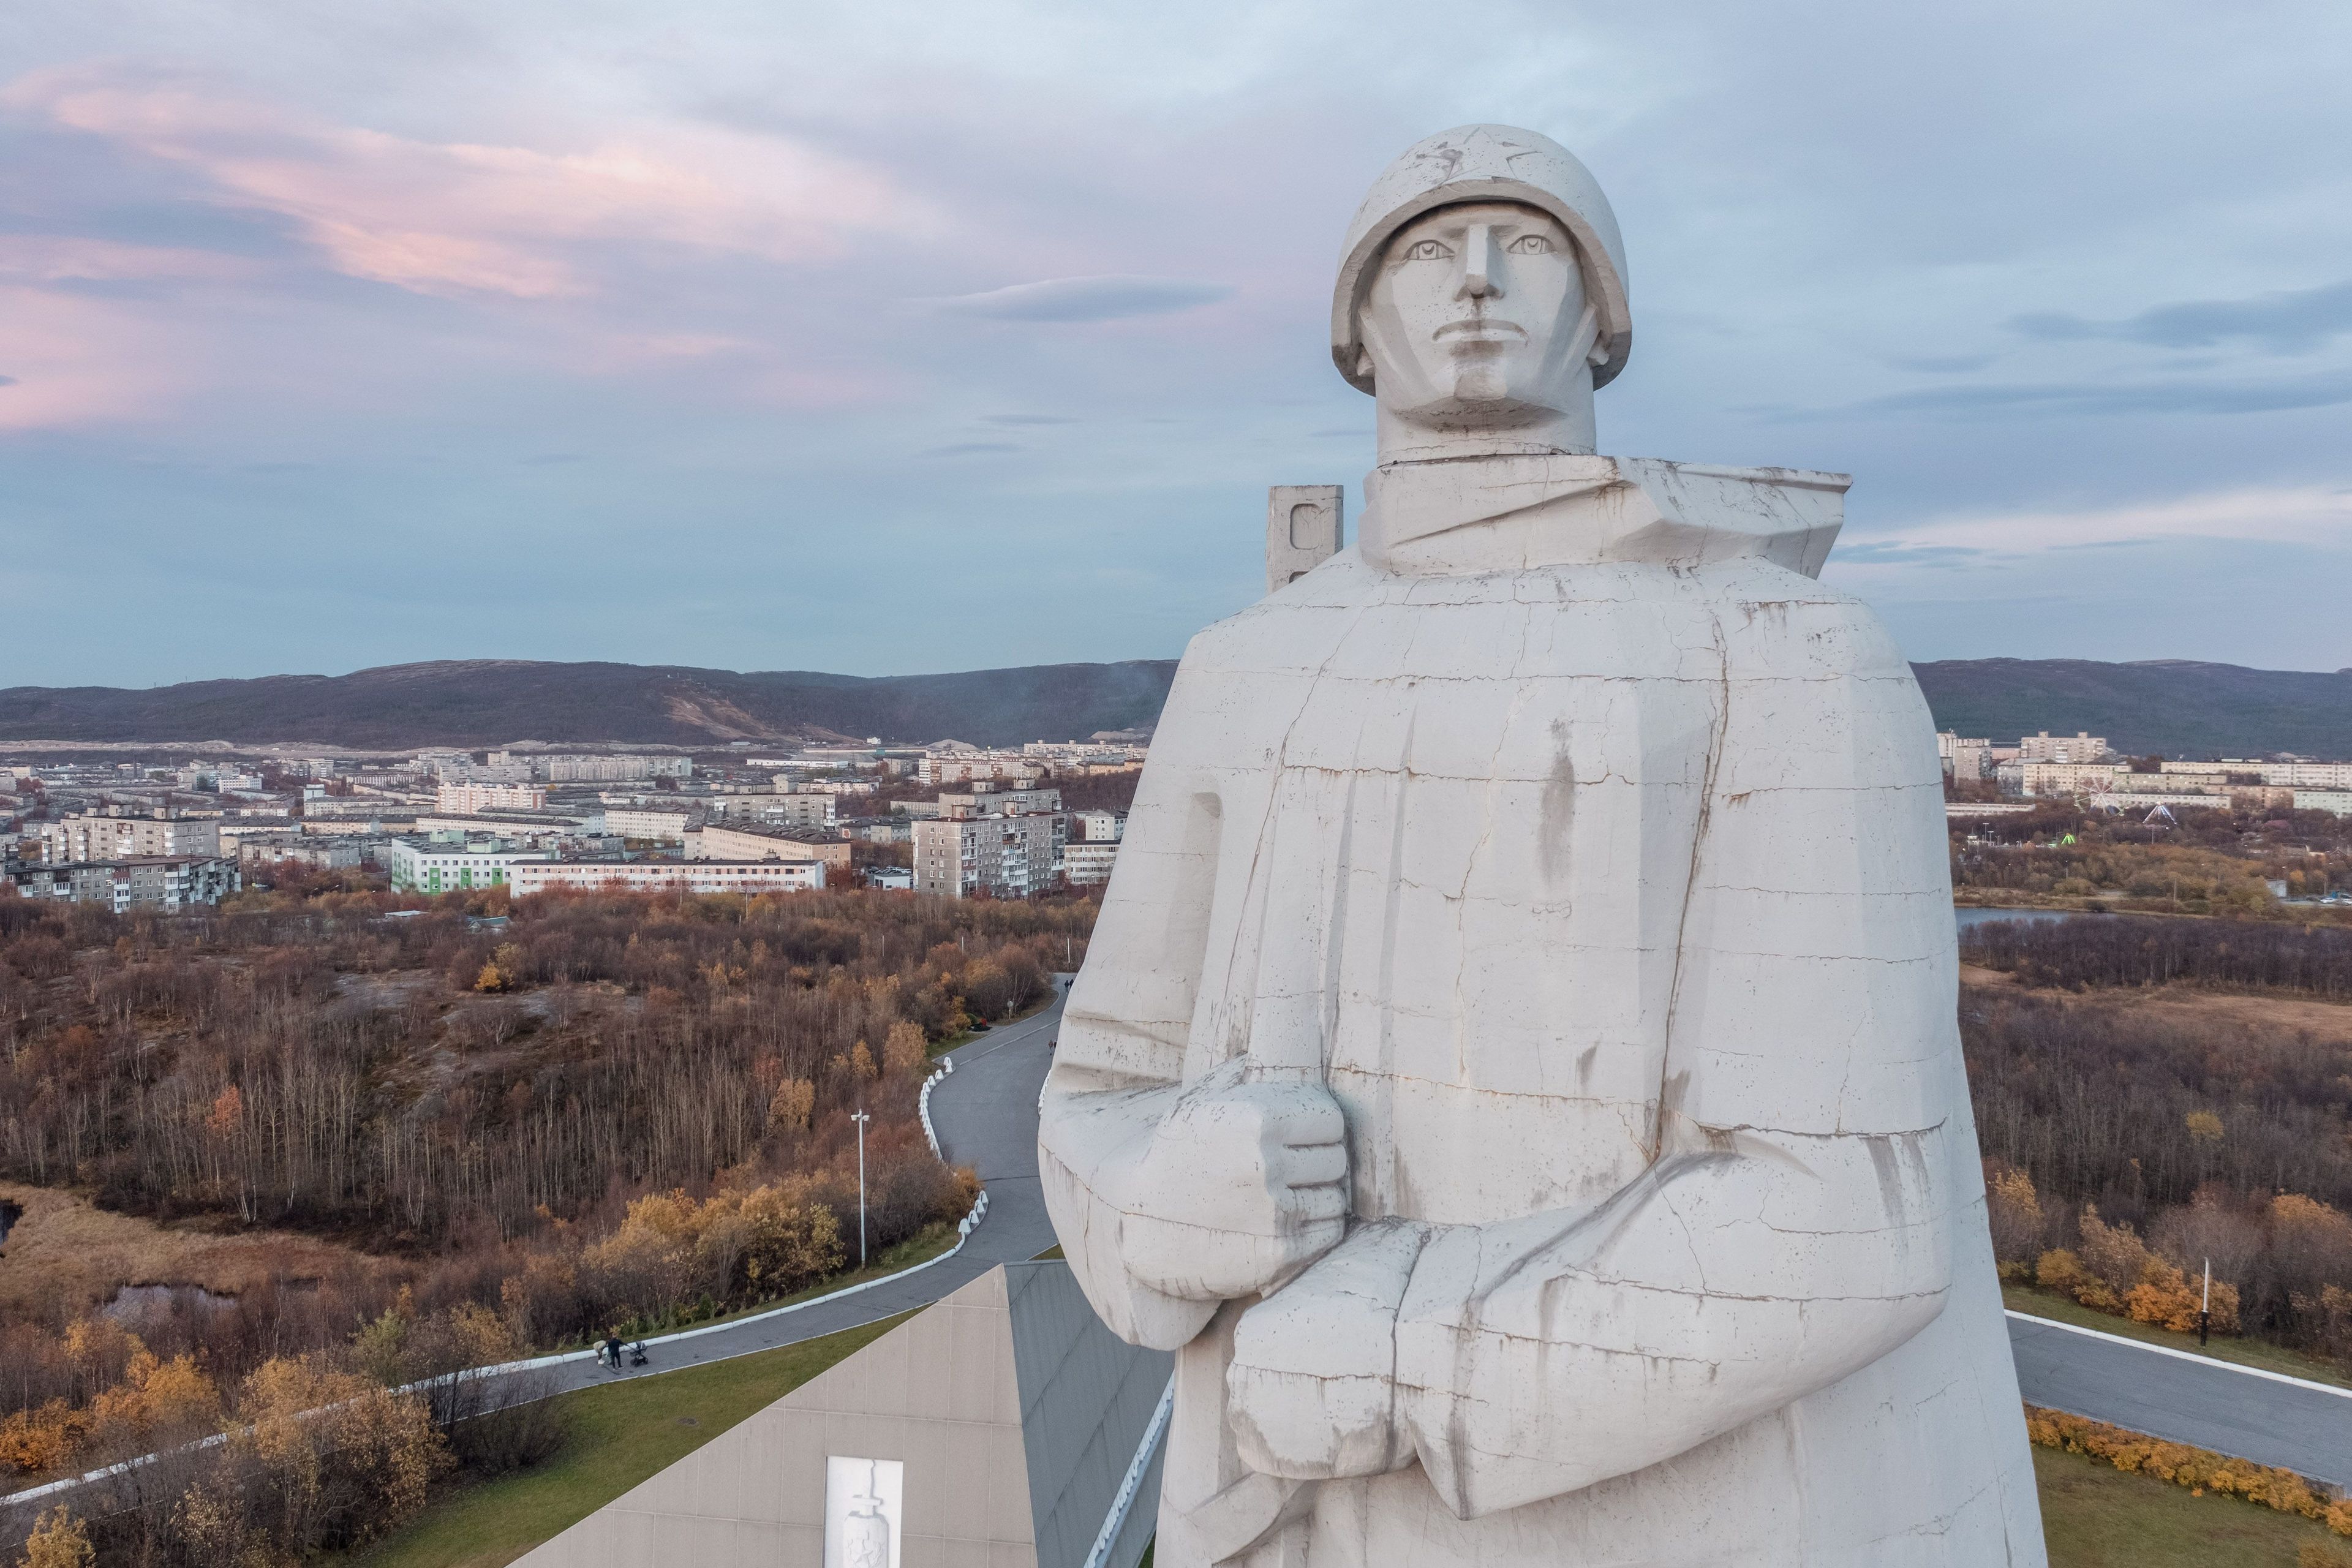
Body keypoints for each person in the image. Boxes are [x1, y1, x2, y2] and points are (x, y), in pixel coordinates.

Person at [1036, 125, 2044, 1567]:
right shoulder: (1248, 665)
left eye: (1536, 244)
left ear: (1601, 319)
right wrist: (1153, 1200)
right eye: (1429, 248)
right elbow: (1098, 1088)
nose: (1481, 279)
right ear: (1359, 332)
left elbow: (1854, 1207)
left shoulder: (1782, 645)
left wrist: (1408, 1347)